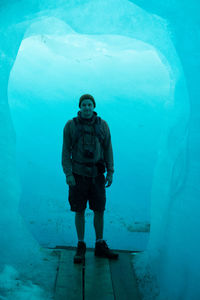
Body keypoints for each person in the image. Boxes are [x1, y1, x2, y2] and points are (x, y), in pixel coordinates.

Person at [62, 94, 119, 263]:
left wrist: (110, 171)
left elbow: (108, 149)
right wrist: (68, 174)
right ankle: (81, 244)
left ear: (94, 106)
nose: (87, 107)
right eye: (84, 104)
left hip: (97, 175)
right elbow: (65, 152)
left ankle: (99, 244)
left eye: (89, 104)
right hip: (78, 175)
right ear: (80, 107)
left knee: (99, 210)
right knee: (79, 211)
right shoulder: (71, 126)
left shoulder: (103, 126)